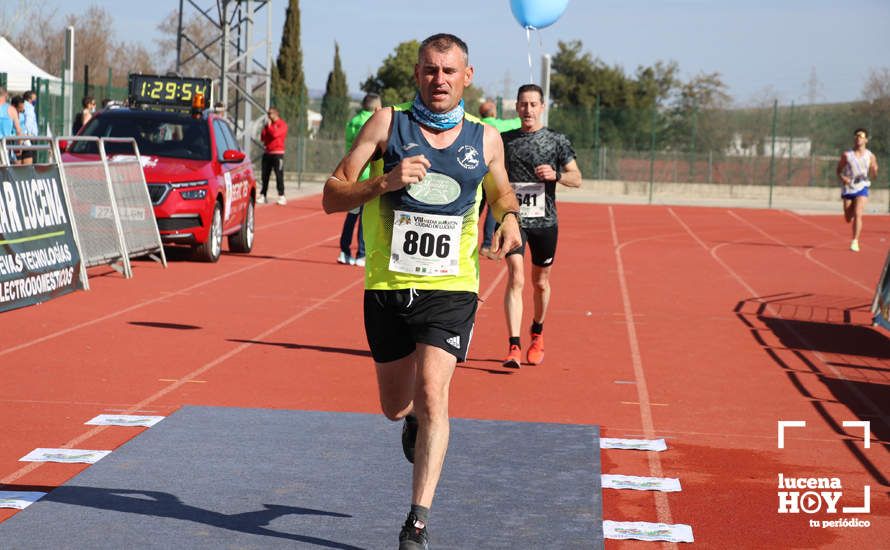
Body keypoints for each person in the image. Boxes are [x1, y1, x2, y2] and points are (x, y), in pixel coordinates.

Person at [322, 33, 521, 549]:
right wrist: (383, 182)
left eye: (449, 72)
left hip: (451, 286)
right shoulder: (388, 124)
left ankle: (416, 522)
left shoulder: (486, 139)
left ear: (467, 77)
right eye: (430, 71)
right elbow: (331, 195)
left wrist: (510, 218)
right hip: (387, 286)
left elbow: (499, 190)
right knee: (396, 405)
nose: (439, 80)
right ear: (417, 74)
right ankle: (408, 420)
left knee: (435, 392)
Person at [500, 83, 582, 368]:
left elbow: (577, 178)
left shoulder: (556, 141)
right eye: (523, 104)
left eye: (533, 104)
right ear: (517, 107)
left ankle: (537, 332)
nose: (528, 110)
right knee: (516, 278)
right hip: (515, 220)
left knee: (540, 282)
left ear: (542, 107)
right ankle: (513, 346)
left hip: (545, 222)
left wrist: (555, 175)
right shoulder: (505, 140)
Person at [338, 93, 382, 267]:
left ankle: (344, 251)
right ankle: (361, 254)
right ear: (376, 107)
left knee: (352, 215)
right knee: (366, 216)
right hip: (368, 175)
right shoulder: (374, 122)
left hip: (353, 173)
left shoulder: (353, 121)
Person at [477, 100, 521, 259]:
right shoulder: (497, 127)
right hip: (492, 173)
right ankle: (487, 244)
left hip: (475, 173)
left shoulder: (476, 125)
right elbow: (519, 122)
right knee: (492, 209)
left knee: (474, 208)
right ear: (493, 113)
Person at [836, 128, 879, 252]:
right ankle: (852, 207)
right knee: (848, 217)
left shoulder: (870, 156)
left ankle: (855, 241)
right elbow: (838, 170)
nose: (858, 138)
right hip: (849, 187)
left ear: (866, 139)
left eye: (861, 136)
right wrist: (843, 178)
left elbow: (874, 174)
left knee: (858, 213)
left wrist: (875, 170)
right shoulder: (847, 155)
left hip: (863, 186)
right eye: (856, 136)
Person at [259, 106, 288, 205]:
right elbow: (263, 137)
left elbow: (275, 135)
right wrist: (266, 128)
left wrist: (270, 127)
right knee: (264, 176)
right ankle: (263, 195)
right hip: (267, 153)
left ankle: (282, 195)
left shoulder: (282, 125)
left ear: (276, 114)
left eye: (270, 113)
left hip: (278, 154)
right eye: (268, 113)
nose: (268, 115)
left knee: (279, 175)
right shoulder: (268, 125)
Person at [0, 88, 22, 164]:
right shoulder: (11, 109)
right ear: (5, 95)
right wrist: (18, 147)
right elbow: (18, 131)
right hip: (5, 145)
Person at [20, 91, 38, 165]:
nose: (35, 101)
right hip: (28, 137)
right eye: (34, 99)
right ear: (29, 99)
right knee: (29, 161)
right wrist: (28, 135)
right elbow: (28, 122)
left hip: (25, 137)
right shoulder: (29, 108)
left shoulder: (24, 106)